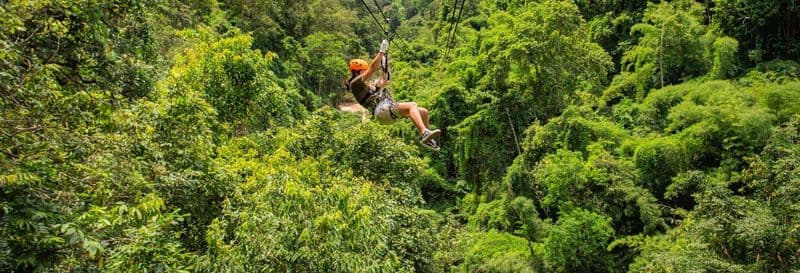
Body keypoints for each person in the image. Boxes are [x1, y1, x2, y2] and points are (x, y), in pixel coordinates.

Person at [345, 39, 441, 151]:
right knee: (412, 105)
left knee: (424, 112)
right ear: (357, 72)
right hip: (383, 111)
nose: (365, 73)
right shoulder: (355, 84)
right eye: (363, 71)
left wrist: (384, 66)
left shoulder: (368, 87)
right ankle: (424, 133)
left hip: (385, 111)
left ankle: (427, 139)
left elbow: (384, 81)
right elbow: (372, 69)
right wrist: (381, 52)